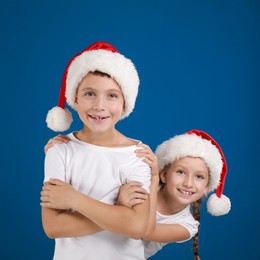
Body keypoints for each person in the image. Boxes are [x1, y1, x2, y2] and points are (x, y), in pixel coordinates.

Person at [43, 129, 231, 259]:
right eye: (180, 172)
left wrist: (153, 179)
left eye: (199, 177)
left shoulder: (187, 226)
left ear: (207, 188)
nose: (188, 183)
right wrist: (68, 148)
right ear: (167, 174)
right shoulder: (141, 180)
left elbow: (143, 231)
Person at [42, 41, 151, 260]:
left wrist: (74, 200)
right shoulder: (59, 150)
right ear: (74, 99)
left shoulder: (138, 155)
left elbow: (137, 227)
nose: (99, 105)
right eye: (89, 93)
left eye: (112, 95)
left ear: (124, 104)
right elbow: (53, 226)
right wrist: (119, 210)